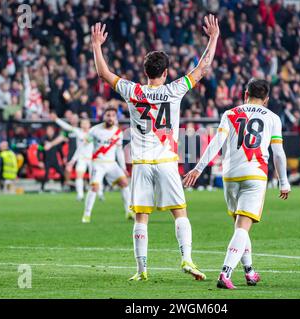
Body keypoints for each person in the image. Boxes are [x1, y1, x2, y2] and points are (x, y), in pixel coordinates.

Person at [91, 14, 220, 281]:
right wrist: (214, 37)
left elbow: (103, 73)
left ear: (146, 72)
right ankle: (187, 258)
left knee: (141, 217)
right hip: (167, 161)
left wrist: (96, 45)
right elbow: (203, 67)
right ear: (165, 73)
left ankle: (141, 270)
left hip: (141, 163)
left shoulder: (133, 91)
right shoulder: (175, 89)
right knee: (179, 213)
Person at [183, 78, 291, 289]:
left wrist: (199, 168)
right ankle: (225, 273)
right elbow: (278, 152)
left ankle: (249, 272)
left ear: (245, 94)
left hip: (230, 176)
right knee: (243, 226)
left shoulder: (230, 113)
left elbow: (217, 142)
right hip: (255, 174)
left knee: (240, 225)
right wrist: (284, 182)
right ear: (266, 99)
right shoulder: (273, 118)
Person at [81, 107, 133, 222]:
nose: (110, 118)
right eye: (108, 115)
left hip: (111, 163)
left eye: (113, 115)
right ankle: (86, 214)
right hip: (98, 163)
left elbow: (119, 151)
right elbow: (85, 143)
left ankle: (128, 212)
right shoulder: (95, 130)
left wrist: (123, 167)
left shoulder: (118, 132)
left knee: (124, 182)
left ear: (115, 118)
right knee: (94, 187)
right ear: (104, 116)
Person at [50, 113, 94, 201]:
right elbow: (67, 127)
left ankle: (99, 194)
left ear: (89, 124)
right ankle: (80, 195)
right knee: (79, 176)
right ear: (81, 124)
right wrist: (57, 120)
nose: (84, 125)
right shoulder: (78, 131)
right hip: (81, 159)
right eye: (83, 123)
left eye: (86, 123)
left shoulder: (94, 132)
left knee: (94, 178)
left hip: (92, 159)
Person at [40, 125, 65, 191]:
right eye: (48, 130)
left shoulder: (56, 139)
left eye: (51, 130)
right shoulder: (44, 138)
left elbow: (60, 150)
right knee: (46, 174)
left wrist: (63, 158)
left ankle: (62, 186)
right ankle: (42, 188)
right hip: (46, 160)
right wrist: (40, 161)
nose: (49, 132)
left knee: (62, 174)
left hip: (55, 161)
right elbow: (39, 149)